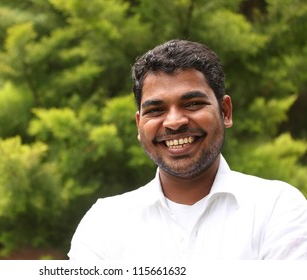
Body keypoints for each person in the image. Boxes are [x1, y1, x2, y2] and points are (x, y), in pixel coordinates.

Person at [68, 39, 307, 260]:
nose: (174, 122)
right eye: (156, 110)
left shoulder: (276, 208)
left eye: (192, 104)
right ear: (139, 125)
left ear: (225, 112)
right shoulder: (104, 223)